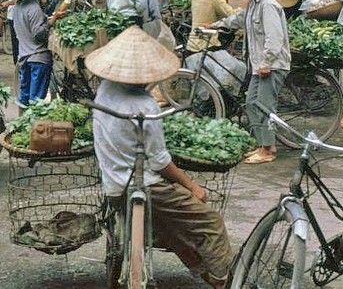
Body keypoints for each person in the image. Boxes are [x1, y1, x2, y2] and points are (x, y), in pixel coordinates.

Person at [85, 26, 233, 288]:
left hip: (114, 186)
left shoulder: (104, 89)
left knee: (172, 228)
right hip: (145, 185)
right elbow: (159, 161)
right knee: (211, 223)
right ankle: (226, 282)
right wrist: (192, 185)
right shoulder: (145, 105)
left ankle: (203, 272)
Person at [209, 0, 290, 164]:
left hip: (271, 65)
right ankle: (263, 144)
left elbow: (275, 38)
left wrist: (266, 63)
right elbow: (237, 20)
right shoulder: (253, 4)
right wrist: (214, 25)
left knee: (264, 106)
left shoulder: (268, 5)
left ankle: (268, 150)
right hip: (258, 64)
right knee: (251, 103)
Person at [11, 0, 62, 110]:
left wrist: (45, 8)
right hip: (38, 57)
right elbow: (39, 34)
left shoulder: (17, 6)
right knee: (36, 102)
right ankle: (34, 127)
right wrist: (54, 20)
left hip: (24, 56)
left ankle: (22, 126)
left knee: (24, 98)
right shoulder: (33, 8)